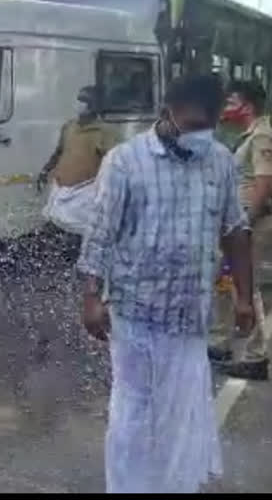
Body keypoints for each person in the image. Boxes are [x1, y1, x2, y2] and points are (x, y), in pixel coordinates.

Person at [78, 74, 254, 493]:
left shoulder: (220, 161)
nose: (199, 135)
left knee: (180, 415)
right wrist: (90, 297)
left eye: (207, 126)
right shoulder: (125, 161)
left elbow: (234, 229)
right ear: (167, 114)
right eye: (191, 126)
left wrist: (246, 298)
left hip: (189, 317)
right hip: (134, 314)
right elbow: (100, 233)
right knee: (133, 413)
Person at [209, 80, 272, 380]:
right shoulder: (247, 136)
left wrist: (245, 225)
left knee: (252, 288)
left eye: (231, 101)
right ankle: (220, 341)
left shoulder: (262, 135)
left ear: (246, 106)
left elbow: (264, 182)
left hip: (254, 223)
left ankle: (257, 356)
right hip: (238, 223)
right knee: (224, 279)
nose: (225, 108)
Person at [37, 86, 119, 256]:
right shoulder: (69, 127)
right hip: (62, 186)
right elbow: (59, 151)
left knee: (81, 228)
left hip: (84, 190)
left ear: (93, 106)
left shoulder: (103, 132)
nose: (79, 104)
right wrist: (45, 171)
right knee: (56, 220)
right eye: (79, 100)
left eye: (84, 101)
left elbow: (113, 162)